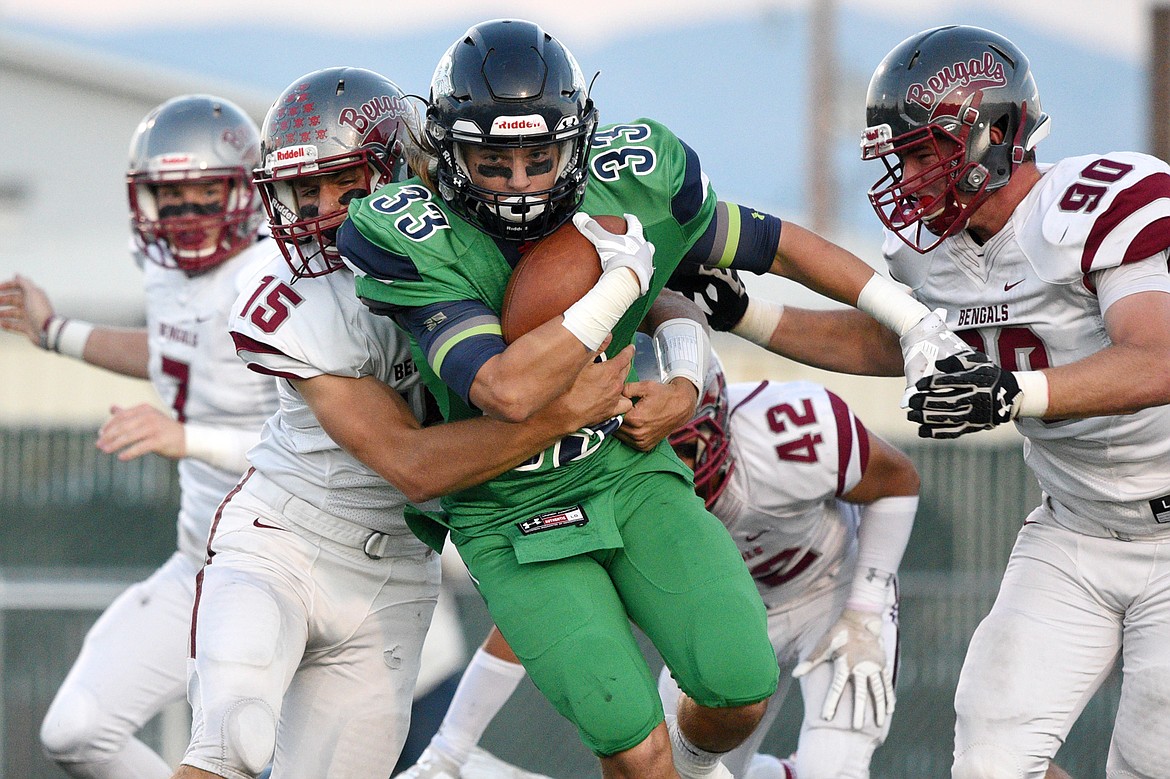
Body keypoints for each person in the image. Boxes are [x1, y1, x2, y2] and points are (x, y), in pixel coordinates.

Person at [337, 18, 969, 779]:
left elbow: (775, 245)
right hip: (505, 505)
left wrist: (910, 318)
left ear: (578, 140)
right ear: (448, 149)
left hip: (624, 467)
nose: (518, 183)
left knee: (740, 685)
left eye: (540, 158)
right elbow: (507, 387)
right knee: (633, 739)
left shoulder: (635, 177)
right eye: (491, 160)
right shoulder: (410, 229)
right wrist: (622, 282)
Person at [681, 23, 1170, 779]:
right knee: (990, 755)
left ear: (994, 132)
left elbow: (1158, 354)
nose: (907, 178)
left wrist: (1016, 393)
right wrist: (748, 314)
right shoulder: (932, 253)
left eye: (920, 152)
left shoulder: (1097, 203)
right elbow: (891, 341)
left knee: (1147, 757)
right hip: (1072, 531)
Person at [170, 67, 637, 779]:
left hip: (395, 573)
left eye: (347, 188)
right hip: (284, 542)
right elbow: (411, 463)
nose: (324, 214)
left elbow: (657, 269)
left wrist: (686, 364)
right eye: (305, 192)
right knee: (233, 739)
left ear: (398, 172)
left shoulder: (474, 242)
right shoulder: (288, 298)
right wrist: (562, 413)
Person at [400, 344, 922, 779]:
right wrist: (450, 748)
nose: (678, 461)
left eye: (684, 444)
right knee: (683, 767)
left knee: (834, 770)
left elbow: (898, 481)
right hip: (722, 613)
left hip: (827, 592)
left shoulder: (788, 432)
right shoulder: (621, 487)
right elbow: (537, 623)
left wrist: (864, 607)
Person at [0, 95, 280, 779]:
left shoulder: (276, 275)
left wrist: (187, 438)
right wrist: (53, 332)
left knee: (249, 754)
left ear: (245, 189)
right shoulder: (165, 271)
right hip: (198, 560)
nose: (185, 215)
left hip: (288, 567)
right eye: (170, 196)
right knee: (77, 730)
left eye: (205, 192)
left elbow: (324, 450)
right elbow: (173, 353)